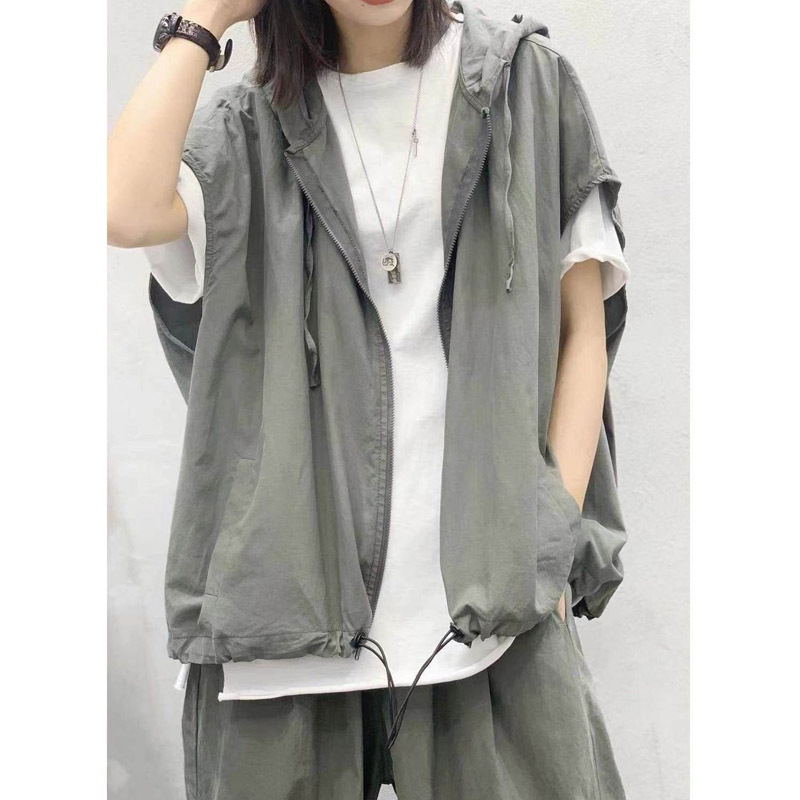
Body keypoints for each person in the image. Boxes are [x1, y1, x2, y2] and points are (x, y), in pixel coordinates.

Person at [108, 0, 631, 797]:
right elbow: (124, 207)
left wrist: (547, 544)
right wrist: (209, 15)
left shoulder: (526, 84)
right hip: (281, 632)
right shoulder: (245, 132)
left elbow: (579, 330)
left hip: (492, 619)